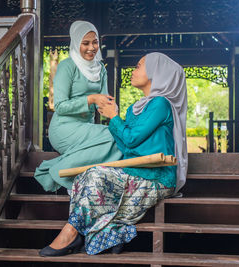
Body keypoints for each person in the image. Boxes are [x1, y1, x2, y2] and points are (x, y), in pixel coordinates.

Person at [39, 52, 188, 256]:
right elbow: (126, 147)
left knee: (95, 175)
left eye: (139, 66)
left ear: (156, 72)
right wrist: (116, 116)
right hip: (134, 173)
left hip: (156, 177)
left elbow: (130, 139)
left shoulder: (161, 104)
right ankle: (101, 234)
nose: (133, 71)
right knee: (85, 176)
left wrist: (114, 117)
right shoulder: (136, 108)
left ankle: (70, 232)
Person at [34, 21, 123, 192]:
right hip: (64, 128)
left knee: (119, 133)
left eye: (95, 42)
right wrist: (90, 99)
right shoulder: (67, 66)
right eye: (85, 43)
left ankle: (79, 181)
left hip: (86, 128)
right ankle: (56, 172)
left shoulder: (100, 69)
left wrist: (111, 108)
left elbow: (102, 103)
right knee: (112, 135)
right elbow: (59, 106)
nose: (91, 48)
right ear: (76, 43)